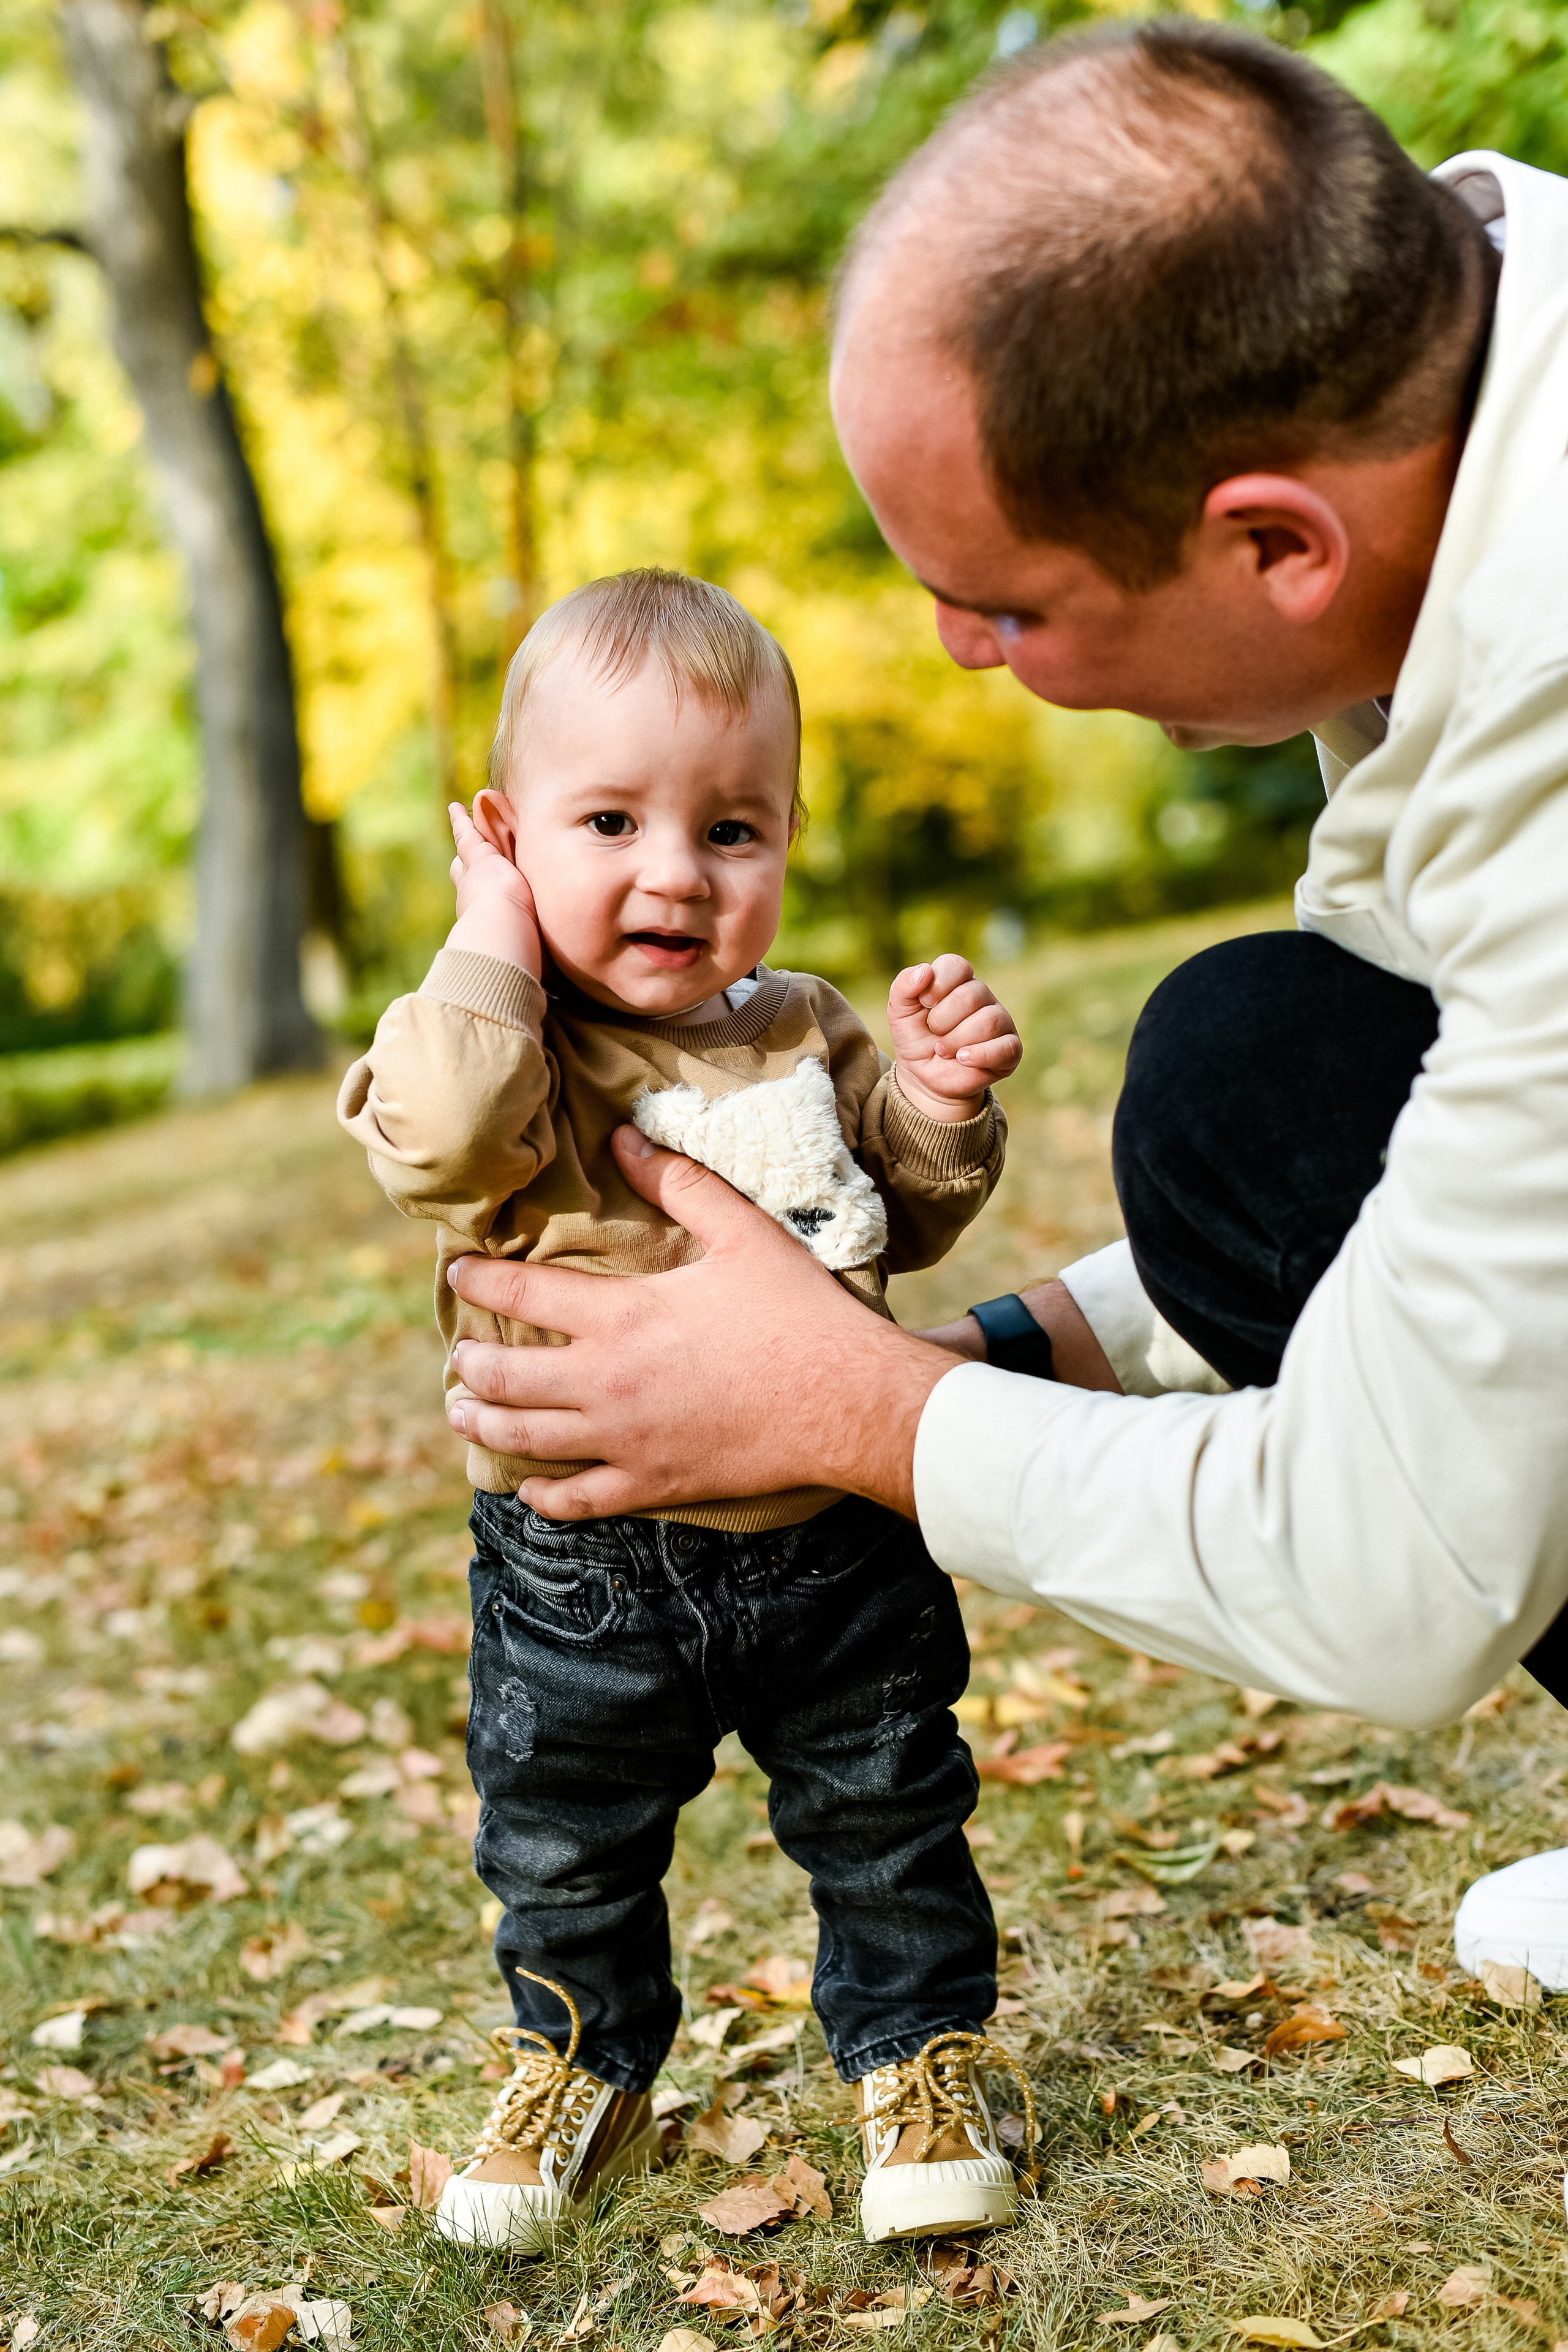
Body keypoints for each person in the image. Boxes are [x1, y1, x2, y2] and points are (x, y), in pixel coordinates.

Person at [431, 26, 1568, 1994]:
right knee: (1267, 1084)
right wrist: (1005, 1342)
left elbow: (1408, 1575)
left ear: (1278, 540)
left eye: (1009, 609)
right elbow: (1464, 1167)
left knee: (1239, 1063)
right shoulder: (1455, 367)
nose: (963, 662)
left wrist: (863, 1409)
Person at [338, 567, 1037, 2253]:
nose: (677, 872)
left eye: (735, 829)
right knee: (566, 1847)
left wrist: (934, 1105)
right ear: (508, 839)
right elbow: (434, 1143)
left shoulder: (800, 1025)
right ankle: (582, 2064)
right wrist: (489, 941)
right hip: (580, 1564)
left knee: (887, 1809)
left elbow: (899, 1212)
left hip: (826, 1541)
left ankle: (921, 2053)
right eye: (607, 822)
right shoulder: (501, 1046)